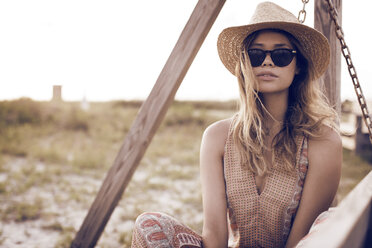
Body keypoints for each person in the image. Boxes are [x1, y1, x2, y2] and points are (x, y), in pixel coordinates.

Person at [131, 2, 342, 248]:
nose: (267, 62)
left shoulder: (323, 142)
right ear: (244, 65)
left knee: (330, 221)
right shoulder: (217, 138)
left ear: (299, 67)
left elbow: (301, 241)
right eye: (255, 54)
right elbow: (214, 236)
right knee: (149, 224)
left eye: (281, 54)